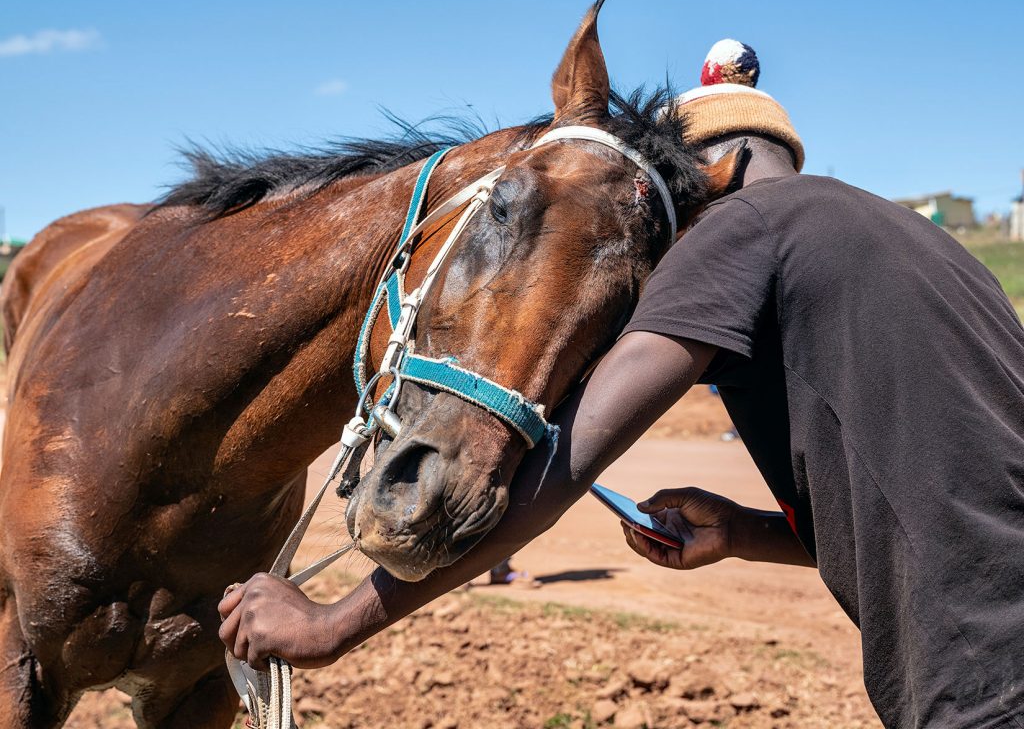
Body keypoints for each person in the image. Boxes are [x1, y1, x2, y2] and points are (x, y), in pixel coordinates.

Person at [219, 40, 1024, 728]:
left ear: (705, 178)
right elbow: (946, 505)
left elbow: (567, 463)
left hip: (985, 674)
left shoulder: (739, 229)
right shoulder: (943, 258)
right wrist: (741, 532)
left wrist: (330, 624)